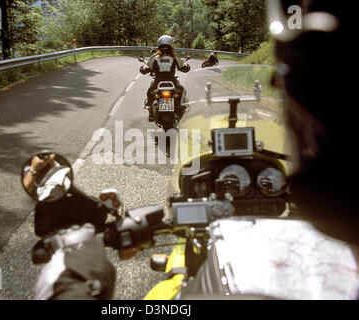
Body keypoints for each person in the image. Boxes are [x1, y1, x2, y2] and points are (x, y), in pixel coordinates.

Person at [34, 1, 358, 299]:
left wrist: (72, 281)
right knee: (178, 94)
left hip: (163, 96)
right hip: (172, 93)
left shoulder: (156, 56)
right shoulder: (172, 57)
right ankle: (162, 106)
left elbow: (148, 71)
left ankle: (154, 106)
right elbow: (184, 73)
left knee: (155, 92)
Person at [140, 35, 191, 122]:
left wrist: (143, 68)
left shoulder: (155, 58)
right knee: (182, 90)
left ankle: (151, 113)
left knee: (150, 92)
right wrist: (186, 66)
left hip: (158, 82)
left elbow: (145, 69)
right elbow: (183, 67)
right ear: (171, 46)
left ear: (159, 46)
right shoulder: (174, 57)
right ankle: (180, 107)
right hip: (172, 82)